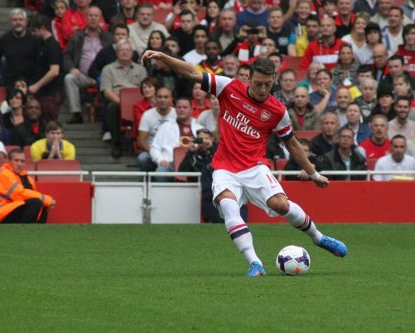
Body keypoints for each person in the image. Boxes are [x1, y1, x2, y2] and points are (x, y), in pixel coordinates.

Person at [142, 50, 347, 277]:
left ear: (273, 82)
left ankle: (318, 238)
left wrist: (313, 173)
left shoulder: (277, 111)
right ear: (248, 78)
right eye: (258, 84)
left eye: (267, 85)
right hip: (225, 168)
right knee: (229, 206)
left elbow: (293, 145)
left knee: (281, 205)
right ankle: (255, 263)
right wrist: (163, 57)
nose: (262, 90)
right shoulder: (227, 87)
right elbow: (191, 72)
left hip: (255, 167)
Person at [64, 6, 113, 124]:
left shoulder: (109, 37)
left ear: (100, 19)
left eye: (96, 16)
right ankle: (76, 114)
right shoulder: (76, 37)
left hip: (103, 76)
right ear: (86, 18)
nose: (93, 18)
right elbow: (66, 55)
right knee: (69, 78)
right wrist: (71, 68)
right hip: (83, 75)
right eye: (90, 15)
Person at [0, 148, 55, 224]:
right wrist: (46, 199)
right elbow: (18, 194)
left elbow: (33, 197)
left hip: (9, 210)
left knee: (41, 204)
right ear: (9, 161)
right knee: (36, 202)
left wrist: (45, 202)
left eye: (22, 161)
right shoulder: (4, 174)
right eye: (16, 160)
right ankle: (23, 232)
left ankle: (37, 232)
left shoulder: (29, 179)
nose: (19, 164)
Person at [100, 39, 147, 158]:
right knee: (112, 107)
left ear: (132, 52)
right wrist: (123, 103)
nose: (125, 52)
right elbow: (106, 91)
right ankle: (117, 143)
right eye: (121, 50)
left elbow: (145, 89)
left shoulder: (141, 69)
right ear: (116, 53)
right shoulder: (108, 69)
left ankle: (141, 142)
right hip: (118, 101)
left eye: (127, 50)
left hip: (138, 101)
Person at [149, 96, 203, 182]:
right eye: (179, 107)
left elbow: (204, 148)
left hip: (194, 163)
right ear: (175, 109)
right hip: (170, 163)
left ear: (191, 109)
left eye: (185, 107)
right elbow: (154, 147)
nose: (181, 109)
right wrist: (160, 160)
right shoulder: (166, 126)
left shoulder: (199, 128)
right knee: (160, 172)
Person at [0, 8, 39, 87]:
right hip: (10, 82)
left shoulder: (35, 39)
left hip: (31, 82)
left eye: (21, 20)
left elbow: (39, 64)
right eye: (15, 20)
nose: (18, 22)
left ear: (26, 22)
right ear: (10, 22)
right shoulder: (3, 39)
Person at [29, 14, 62, 122]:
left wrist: (37, 85)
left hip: (50, 94)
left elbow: (54, 71)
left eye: (34, 31)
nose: (33, 34)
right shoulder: (41, 44)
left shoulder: (52, 45)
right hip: (43, 93)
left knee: (50, 124)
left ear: (42, 28)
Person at [137, 87, 176, 171]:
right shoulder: (147, 115)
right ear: (155, 98)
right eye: (160, 97)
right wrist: (155, 153)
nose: (162, 99)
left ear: (171, 99)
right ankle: (148, 182)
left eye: (166, 97)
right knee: (142, 158)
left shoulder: (177, 114)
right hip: (151, 150)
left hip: (171, 152)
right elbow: (141, 141)